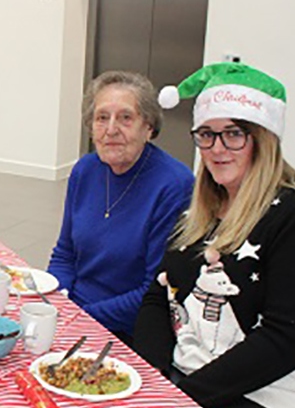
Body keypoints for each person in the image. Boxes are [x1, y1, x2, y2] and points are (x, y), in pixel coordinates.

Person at [134, 63, 295, 408]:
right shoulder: (200, 212)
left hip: (284, 403)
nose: (217, 148)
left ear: (264, 139)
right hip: (200, 380)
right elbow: (158, 296)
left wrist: (181, 399)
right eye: (206, 134)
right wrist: (154, 381)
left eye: (234, 134)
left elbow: (284, 341)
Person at [47, 71, 193, 342]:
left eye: (125, 118)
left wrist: (80, 319)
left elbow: (154, 290)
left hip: (130, 327)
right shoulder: (85, 170)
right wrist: (56, 303)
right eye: (102, 118)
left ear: (148, 127)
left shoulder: (174, 184)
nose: (111, 129)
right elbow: (65, 254)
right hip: (75, 314)